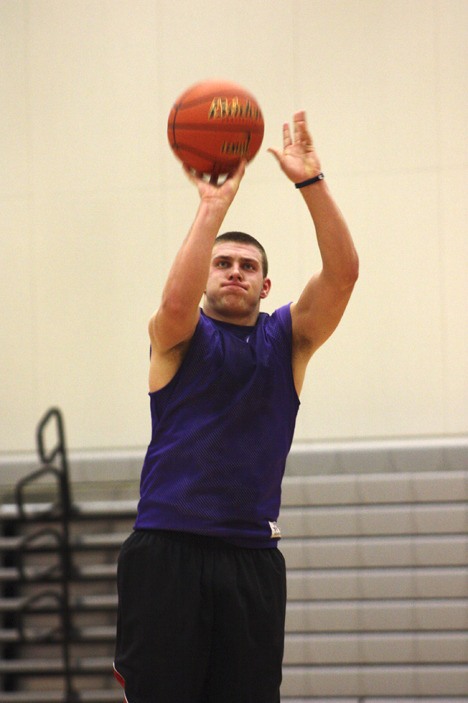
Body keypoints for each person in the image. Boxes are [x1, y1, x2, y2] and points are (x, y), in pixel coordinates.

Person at [113, 111, 358, 703]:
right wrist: (211, 209)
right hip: (167, 551)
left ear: (265, 287)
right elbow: (174, 300)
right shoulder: (177, 335)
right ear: (206, 278)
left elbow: (344, 275)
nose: (234, 273)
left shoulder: (288, 341)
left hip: (251, 558)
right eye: (223, 263)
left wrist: (312, 182)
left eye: (248, 267)